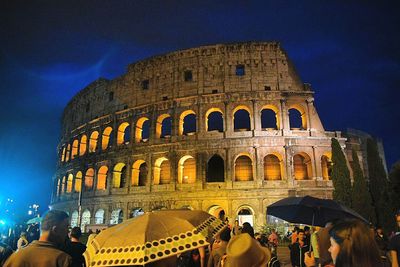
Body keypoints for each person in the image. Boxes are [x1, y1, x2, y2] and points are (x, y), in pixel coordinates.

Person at [4, 210, 72, 267]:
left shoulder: (16, 257)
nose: (68, 231)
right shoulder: (63, 260)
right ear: (55, 230)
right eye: (66, 227)